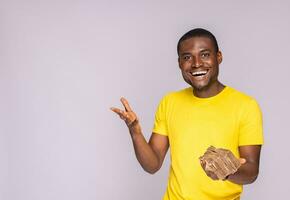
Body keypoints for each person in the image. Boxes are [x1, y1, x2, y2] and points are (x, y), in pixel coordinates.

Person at [110, 28, 263, 200]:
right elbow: (152, 165)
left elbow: (251, 171)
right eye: (187, 57)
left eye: (205, 54)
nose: (196, 63)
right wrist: (135, 132)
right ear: (179, 63)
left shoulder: (245, 105)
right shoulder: (170, 102)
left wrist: (225, 170)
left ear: (218, 57)